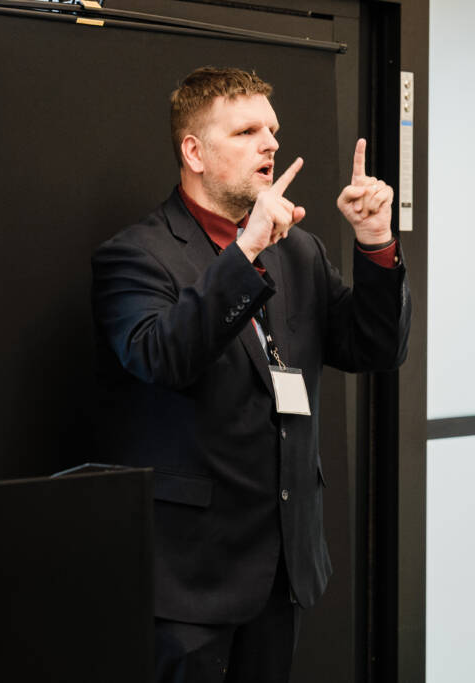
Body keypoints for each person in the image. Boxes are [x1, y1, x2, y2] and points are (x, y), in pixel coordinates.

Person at [92, 66, 411, 683]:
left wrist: (375, 242)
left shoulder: (302, 250)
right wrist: (245, 254)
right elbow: (163, 357)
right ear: (195, 152)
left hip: (282, 568)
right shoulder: (135, 254)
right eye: (246, 131)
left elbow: (375, 348)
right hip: (189, 583)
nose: (270, 144)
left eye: (273, 130)